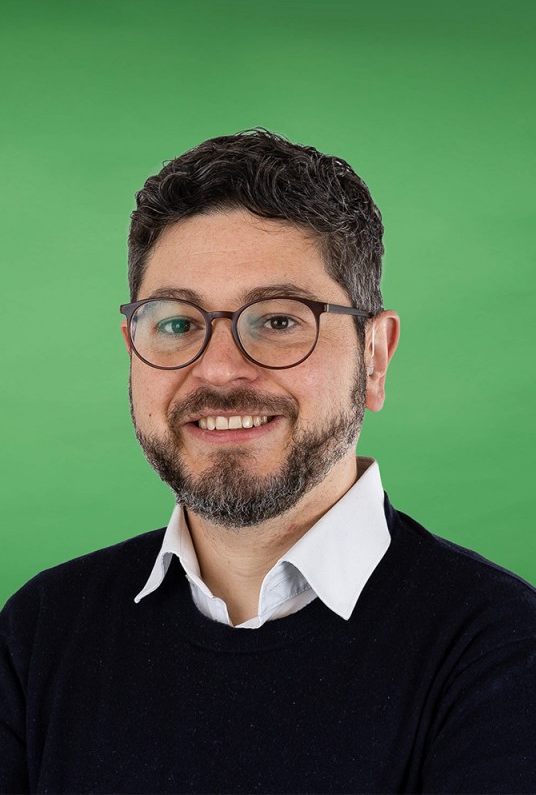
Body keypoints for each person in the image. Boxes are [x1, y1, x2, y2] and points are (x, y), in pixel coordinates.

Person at [1, 129, 535, 795]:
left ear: (374, 357)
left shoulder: (502, 649)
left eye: (279, 321)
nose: (219, 369)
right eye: (177, 323)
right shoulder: (40, 632)